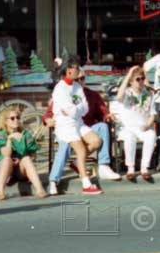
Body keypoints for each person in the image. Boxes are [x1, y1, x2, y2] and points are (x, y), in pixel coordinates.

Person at [46, 66, 120, 195]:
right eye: (78, 78)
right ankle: (53, 181)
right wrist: (48, 119)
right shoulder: (63, 91)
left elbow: (102, 111)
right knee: (64, 146)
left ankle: (103, 165)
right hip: (67, 127)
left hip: (85, 127)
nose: (80, 81)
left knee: (102, 127)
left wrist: (107, 115)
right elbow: (50, 112)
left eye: (83, 78)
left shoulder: (92, 95)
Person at [50, 56, 103, 195]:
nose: (79, 71)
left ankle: (77, 163)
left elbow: (84, 109)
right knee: (80, 151)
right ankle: (86, 184)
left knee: (96, 141)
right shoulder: (60, 89)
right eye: (77, 68)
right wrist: (76, 109)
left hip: (78, 122)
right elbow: (72, 111)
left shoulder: (77, 86)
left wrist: (75, 109)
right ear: (68, 71)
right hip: (65, 126)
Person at [110, 66, 157, 182]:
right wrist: (129, 74)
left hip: (142, 127)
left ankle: (144, 168)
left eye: (142, 79)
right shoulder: (127, 93)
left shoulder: (148, 94)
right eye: (137, 79)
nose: (140, 81)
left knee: (151, 135)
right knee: (129, 137)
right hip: (127, 127)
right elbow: (118, 97)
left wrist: (147, 125)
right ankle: (130, 169)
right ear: (131, 81)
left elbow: (152, 114)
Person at [0, 107, 46, 200]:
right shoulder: (1, 134)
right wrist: (9, 138)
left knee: (26, 158)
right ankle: (0, 193)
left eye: (18, 117)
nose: (16, 120)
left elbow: (33, 155)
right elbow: (6, 155)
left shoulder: (25, 134)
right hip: (4, 169)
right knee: (7, 160)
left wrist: (22, 159)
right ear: (5, 121)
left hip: (19, 170)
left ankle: (40, 190)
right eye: (12, 118)